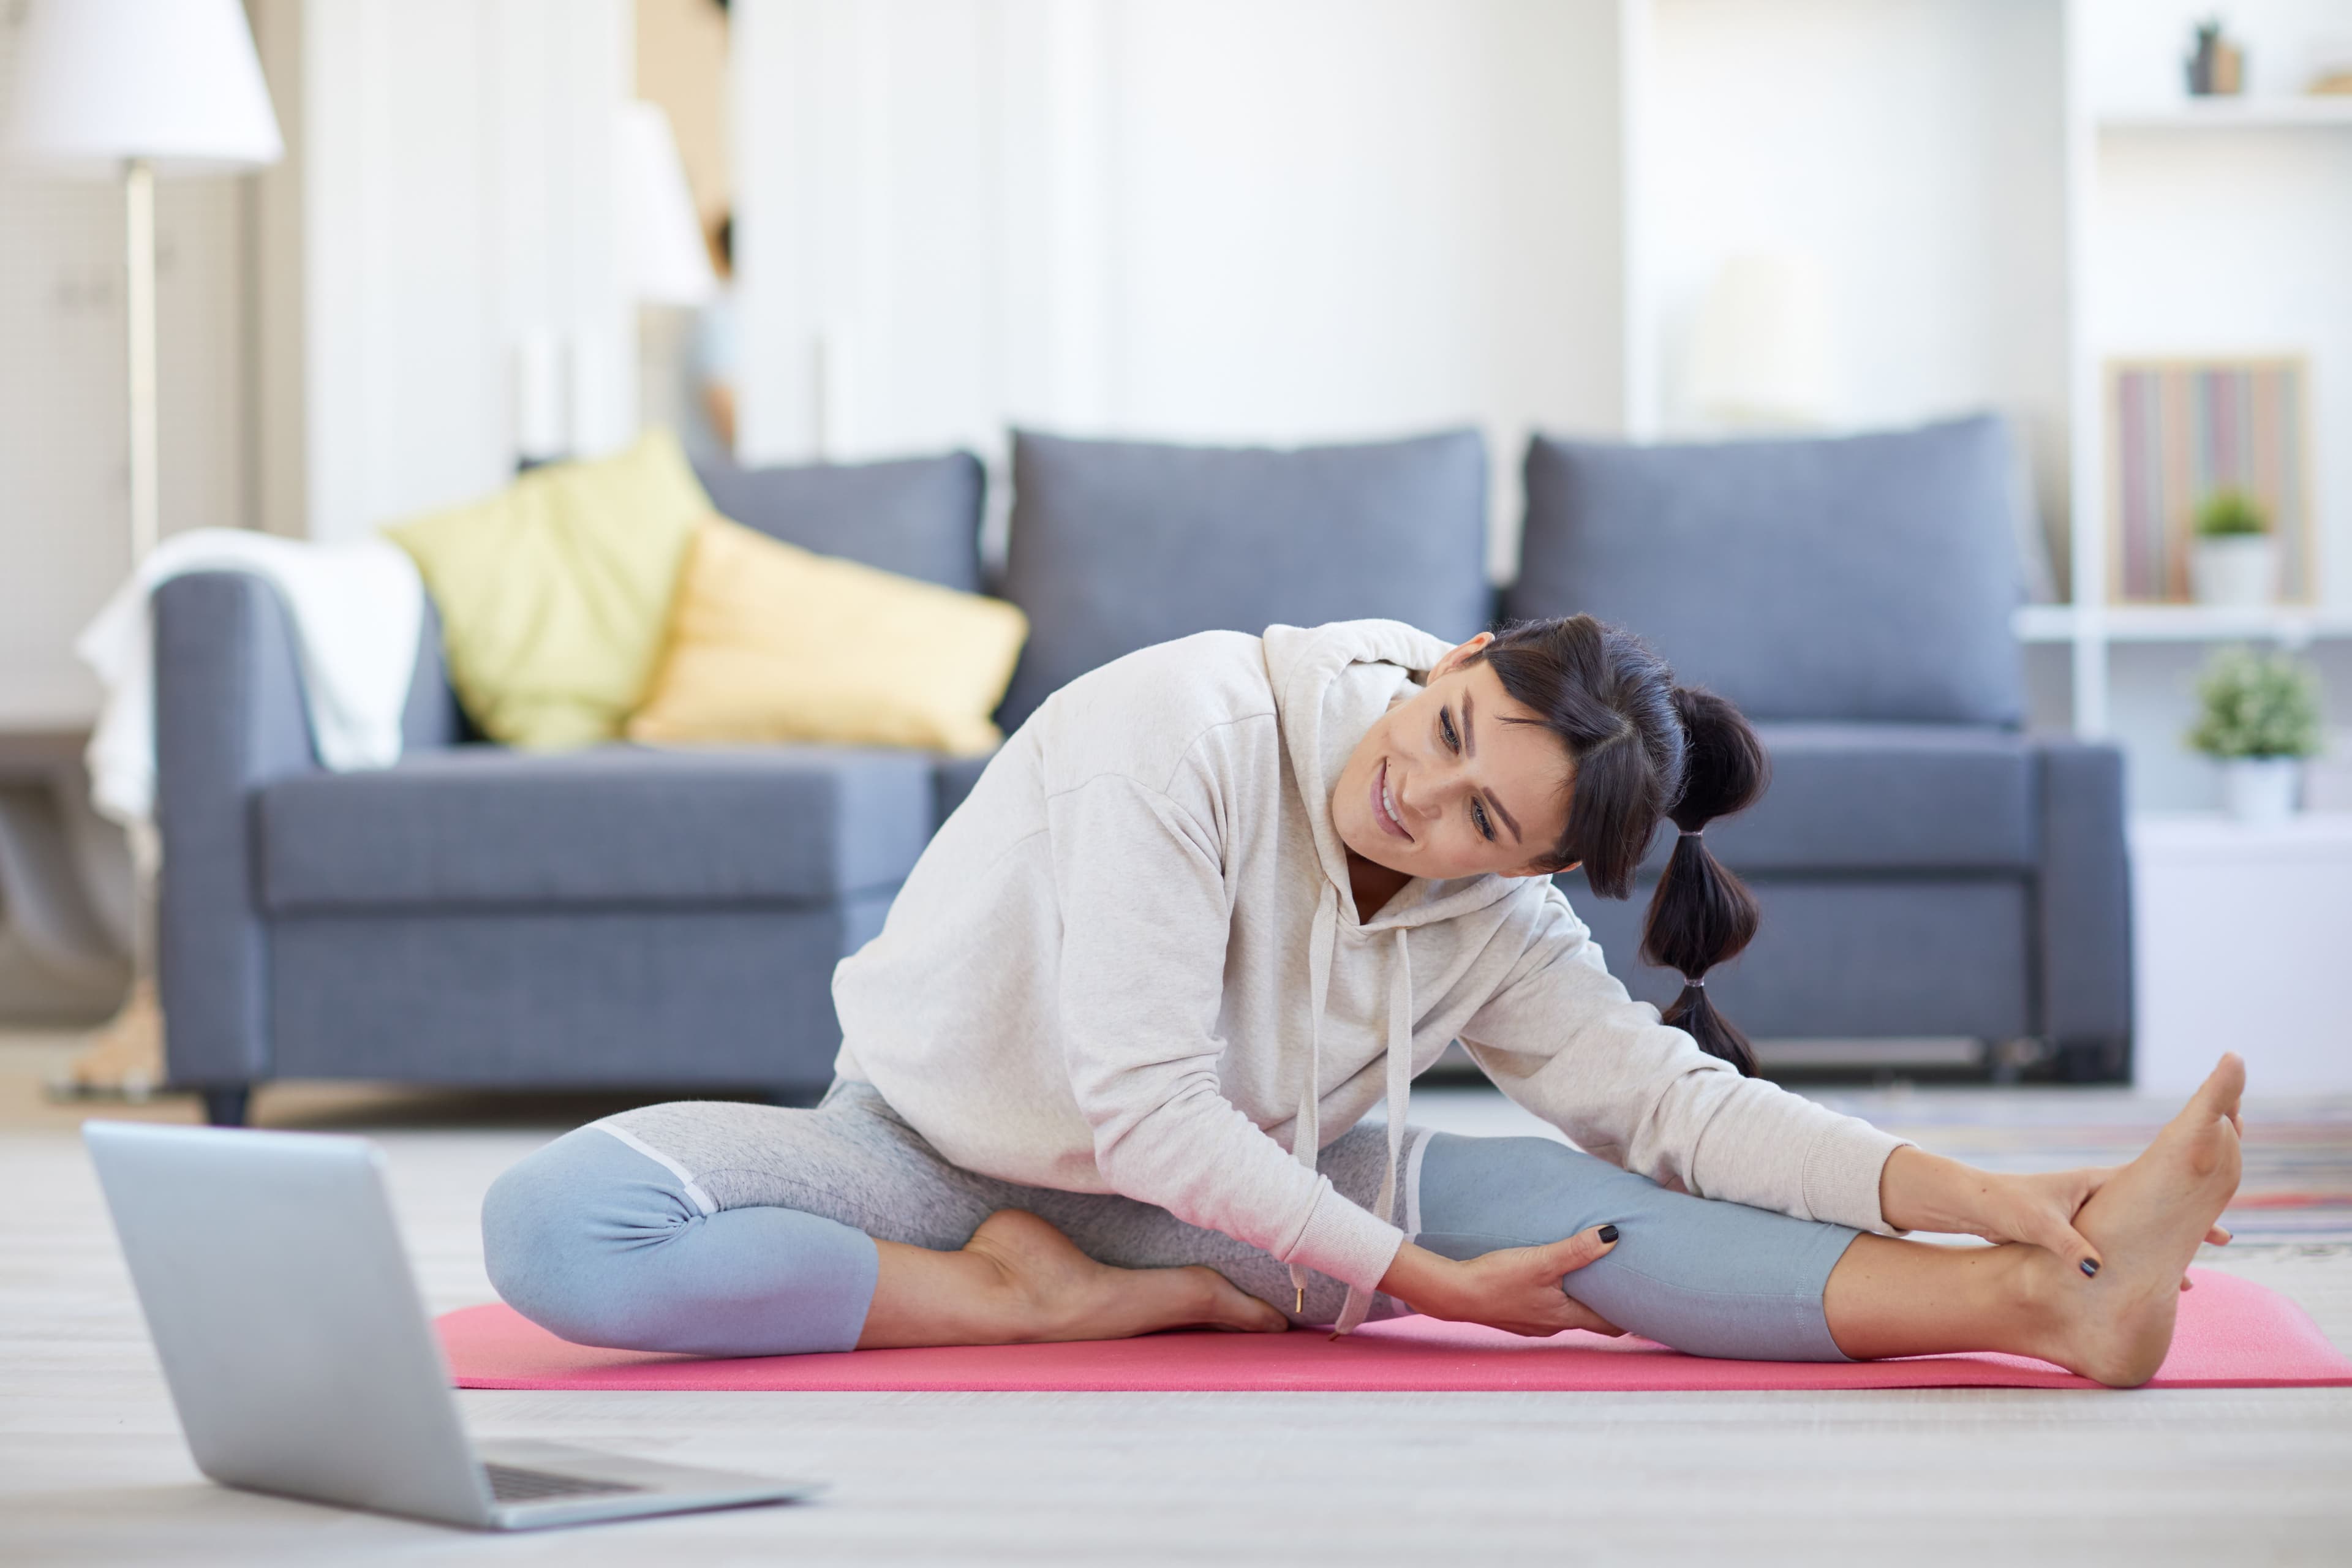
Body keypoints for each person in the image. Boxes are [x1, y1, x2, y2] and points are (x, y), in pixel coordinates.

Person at [482, 617, 2242, 1388]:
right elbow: (1149, 1105)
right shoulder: (1182, 731)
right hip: (931, 1153)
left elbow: (1677, 1108)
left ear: (1536, 870)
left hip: (1224, 1204)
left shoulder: (1496, 903)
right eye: (1450, 732)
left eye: (1489, 819)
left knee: (1599, 1226)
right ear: (1456, 661)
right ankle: (1046, 1306)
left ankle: (2046, 1299)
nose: (1427, 797)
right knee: (561, 1224)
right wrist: (1420, 1283)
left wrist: (1986, 1189)